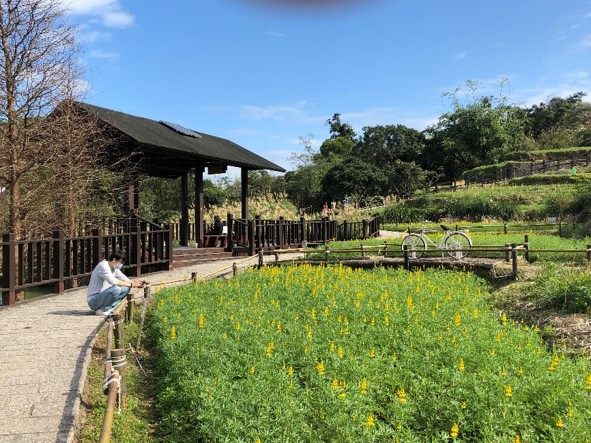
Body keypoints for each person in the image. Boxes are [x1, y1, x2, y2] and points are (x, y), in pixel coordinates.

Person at [87, 250, 142, 316]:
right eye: (120, 262)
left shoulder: (114, 268)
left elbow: (124, 279)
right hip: (93, 301)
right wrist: (131, 284)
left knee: (126, 288)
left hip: (102, 298)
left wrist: (135, 282)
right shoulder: (103, 266)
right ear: (114, 260)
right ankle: (102, 310)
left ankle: (108, 308)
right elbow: (113, 281)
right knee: (116, 289)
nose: (121, 265)